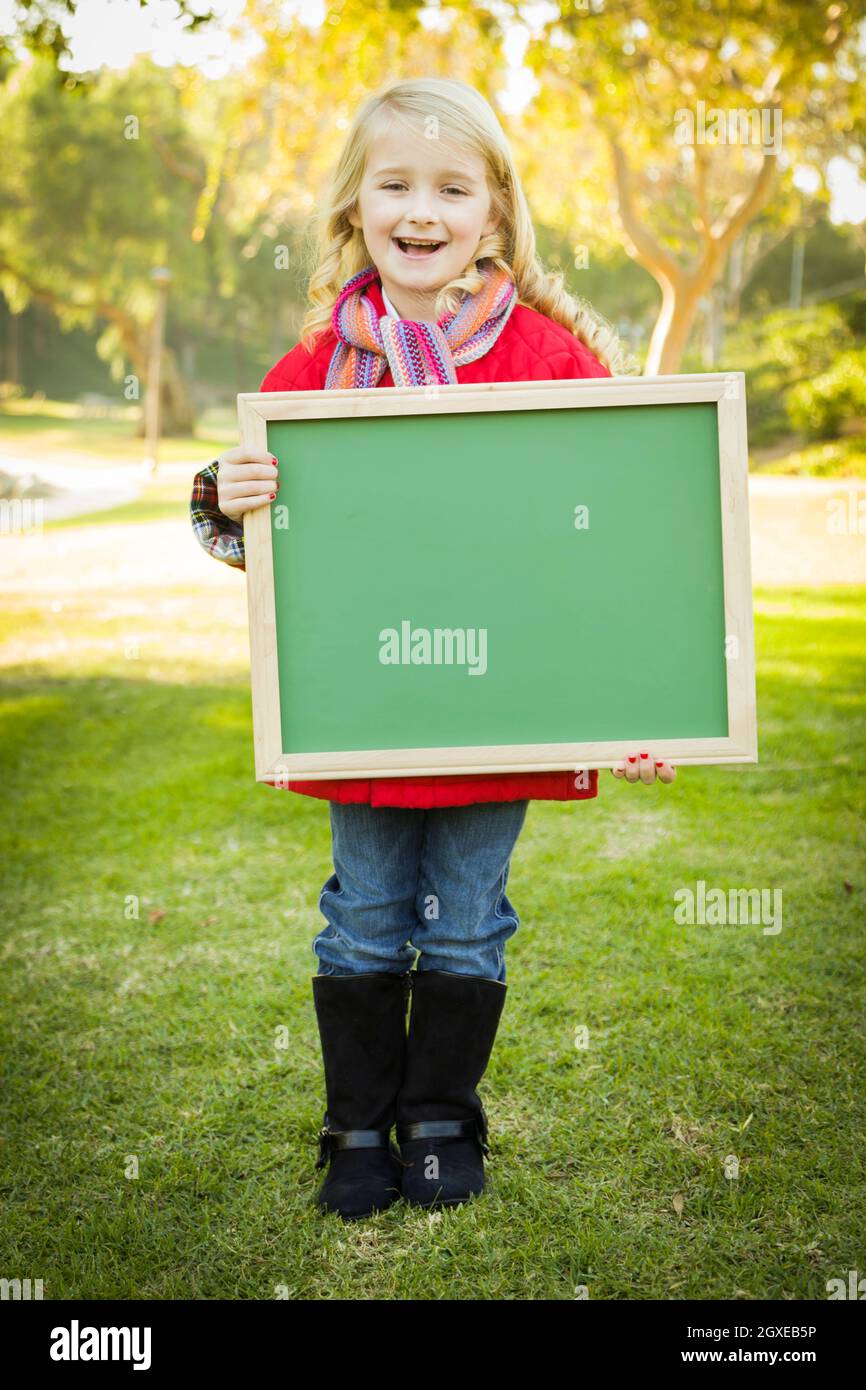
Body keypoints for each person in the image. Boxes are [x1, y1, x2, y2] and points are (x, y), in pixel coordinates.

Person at [189, 76, 677, 1222]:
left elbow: (615, 545)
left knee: (467, 912)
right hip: (371, 707)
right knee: (361, 909)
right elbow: (266, 542)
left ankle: (441, 1120)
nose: (421, 208)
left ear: (493, 213)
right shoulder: (315, 367)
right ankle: (356, 1124)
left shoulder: (551, 363)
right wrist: (228, 495)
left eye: (450, 187)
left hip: (502, 710)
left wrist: (648, 690)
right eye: (394, 184)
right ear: (354, 207)